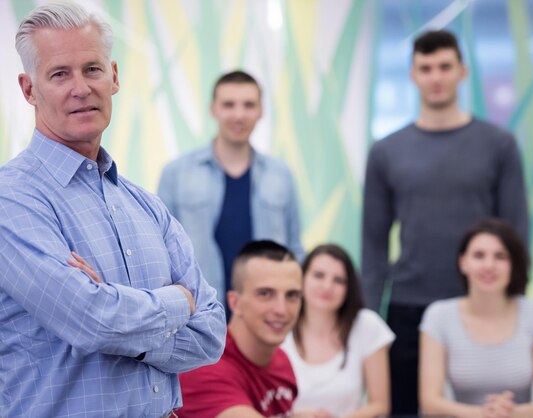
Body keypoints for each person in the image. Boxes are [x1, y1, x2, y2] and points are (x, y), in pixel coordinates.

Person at [0, 3, 226, 417]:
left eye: (92, 69)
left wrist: (115, 310)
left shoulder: (145, 205)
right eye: (59, 74)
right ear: (29, 89)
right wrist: (178, 302)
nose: (81, 88)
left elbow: (211, 335)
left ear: (114, 76)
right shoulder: (11, 201)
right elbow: (93, 321)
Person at [361, 29, 529, 415]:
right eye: (425, 68)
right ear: (412, 75)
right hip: (408, 309)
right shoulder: (386, 152)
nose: (435, 76)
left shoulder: (499, 145)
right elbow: (373, 244)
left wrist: (513, 304)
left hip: (483, 305)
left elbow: (516, 235)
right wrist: (368, 320)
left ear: (462, 71)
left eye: (444, 66)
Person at [158, 70, 305, 318]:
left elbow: (294, 251)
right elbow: (161, 251)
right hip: (198, 317)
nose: (239, 115)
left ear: (261, 111)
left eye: (249, 105)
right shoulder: (176, 174)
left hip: (265, 318)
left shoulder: (281, 175)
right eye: (229, 105)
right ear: (213, 109)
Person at [419, 219, 533, 418]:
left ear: (513, 264)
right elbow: (430, 404)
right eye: (478, 255)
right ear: (463, 262)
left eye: (500, 256)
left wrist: (513, 413)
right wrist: (482, 414)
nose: (489, 265)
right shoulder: (438, 316)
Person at [178, 240, 325, 418]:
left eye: (292, 295)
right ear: (234, 302)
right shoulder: (204, 367)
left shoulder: (281, 359)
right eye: (265, 294)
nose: (281, 309)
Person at [282, 244, 395, 418]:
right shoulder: (279, 324)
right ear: (301, 278)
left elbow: (380, 406)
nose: (327, 286)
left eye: (339, 280)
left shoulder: (367, 325)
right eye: (319, 275)